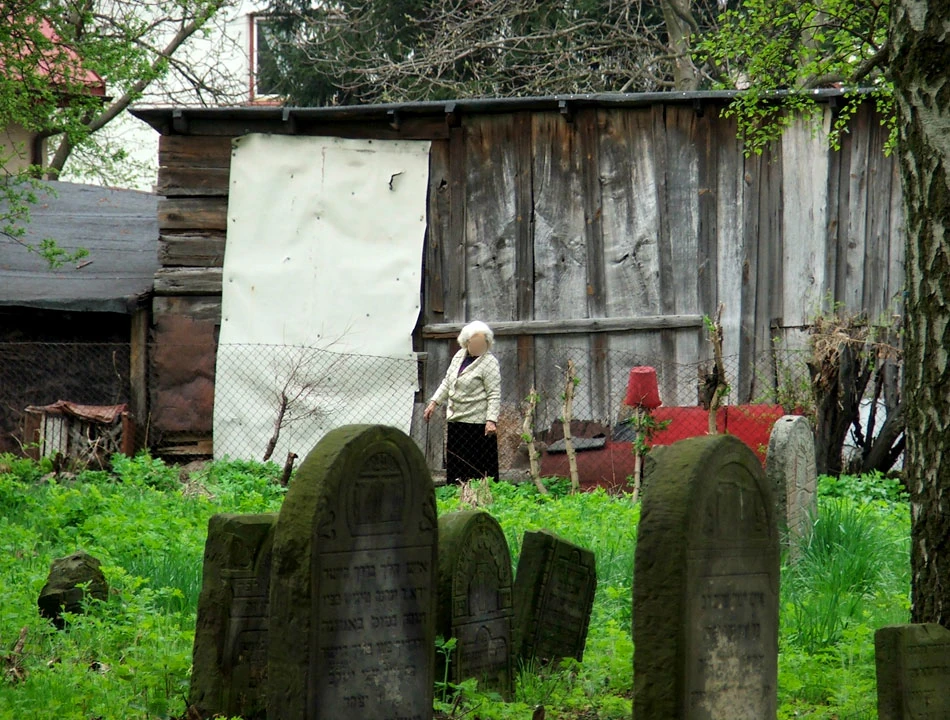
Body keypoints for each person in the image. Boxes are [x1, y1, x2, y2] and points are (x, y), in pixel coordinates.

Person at [423, 320, 501, 484]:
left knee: (478, 466)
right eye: (474, 342)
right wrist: (434, 402)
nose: (478, 346)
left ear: (487, 343)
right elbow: (447, 382)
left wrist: (491, 420)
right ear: (466, 342)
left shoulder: (489, 362)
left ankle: (482, 493)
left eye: (482, 343)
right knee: (457, 465)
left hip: (477, 422)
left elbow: (494, 393)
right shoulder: (459, 356)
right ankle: (458, 493)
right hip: (456, 418)